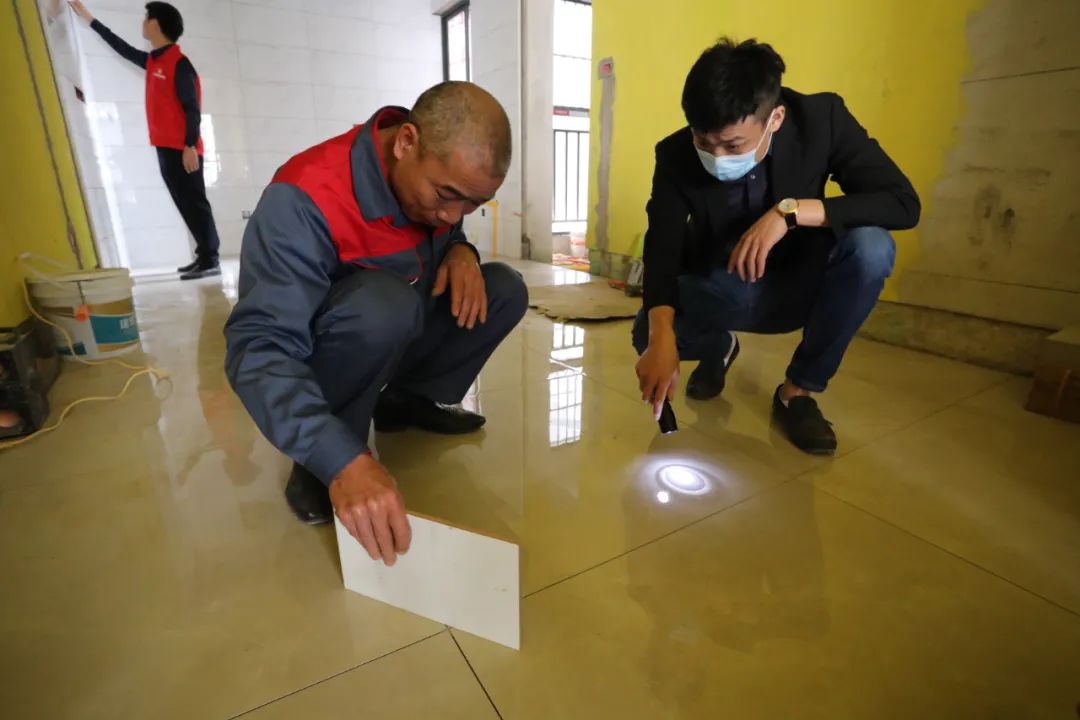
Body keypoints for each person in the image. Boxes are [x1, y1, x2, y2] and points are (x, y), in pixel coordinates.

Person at [224, 82, 527, 566]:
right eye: (447, 195)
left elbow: (448, 223)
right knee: (383, 305)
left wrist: (460, 249)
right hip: (348, 340)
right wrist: (337, 459)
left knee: (504, 288)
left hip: (400, 327)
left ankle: (404, 402)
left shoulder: (434, 185)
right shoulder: (302, 199)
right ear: (406, 142)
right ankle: (324, 455)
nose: (452, 214)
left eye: (473, 204)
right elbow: (260, 347)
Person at [634, 38, 920, 455]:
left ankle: (797, 393)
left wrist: (790, 212)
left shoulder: (821, 120)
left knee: (872, 247)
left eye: (732, 145)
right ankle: (719, 348)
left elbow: (902, 203)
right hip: (725, 285)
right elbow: (662, 245)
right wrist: (661, 335)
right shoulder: (675, 154)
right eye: (703, 141)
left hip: (802, 283)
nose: (716, 156)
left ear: (775, 119)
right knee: (645, 333)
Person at [70, 1, 221, 280]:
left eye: (146, 18)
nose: (143, 23)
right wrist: (89, 19)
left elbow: (192, 107)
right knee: (184, 203)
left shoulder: (179, 64)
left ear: (155, 24)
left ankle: (211, 259)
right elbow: (121, 47)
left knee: (195, 204)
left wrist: (189, 145)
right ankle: (204, 255)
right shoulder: (154, 62)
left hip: (183, 149)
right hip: (165, 147)